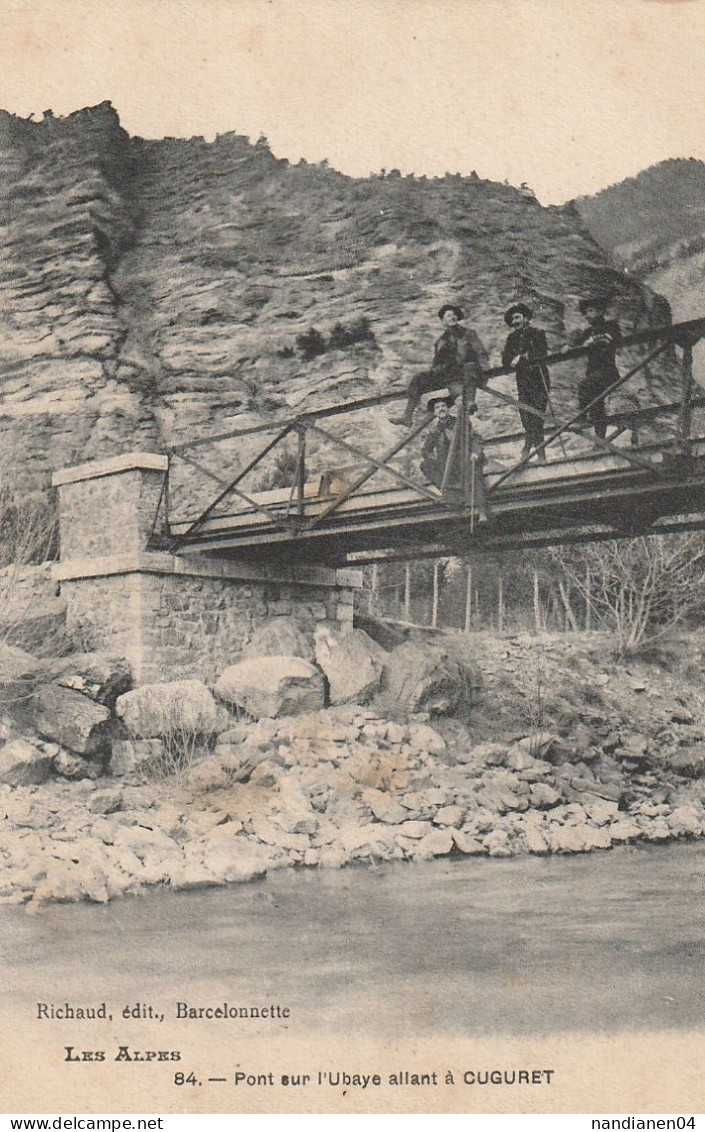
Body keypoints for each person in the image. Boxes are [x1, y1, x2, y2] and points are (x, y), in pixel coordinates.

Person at [391, 304, 489, 428]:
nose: (452, 317)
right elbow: (437, 361)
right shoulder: (442, 339)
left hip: (466, 371)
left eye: (454, 315)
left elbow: (480, 351)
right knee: (418, 378)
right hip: (447, 373)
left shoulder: (468, 333)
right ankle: (407, 416)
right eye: (448, 315)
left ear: (458, 317)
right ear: (443, 320)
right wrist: (434, 371)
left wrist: (485, 369)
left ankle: (470, 402)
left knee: (470, 367)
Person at [419, 393, 489, 521]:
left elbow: (476, 438)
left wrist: (475, 452)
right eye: (437, 407)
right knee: (425, 465)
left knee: (475, 476)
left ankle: (483, 512)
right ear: (435, 413)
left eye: (443, 406)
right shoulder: (434, 431)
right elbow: (425, 450)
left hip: (466, 458)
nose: (441, 409)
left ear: (448, 408)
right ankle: (450, 491)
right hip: (448, 466)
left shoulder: (461, 423)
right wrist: (431, 457)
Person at [501, 303, 550, 463]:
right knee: (526, 418)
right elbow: (505, 360)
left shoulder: (537, 333)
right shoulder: (512, 338)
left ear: (526, 318)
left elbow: (541, 351)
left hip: (539, 380)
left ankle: (533, 454)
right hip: (523, 382)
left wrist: (522, 357)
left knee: (537, 418)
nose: (515, 321)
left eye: (517, 317)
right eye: (512, 319)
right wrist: (512, 360)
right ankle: (530, 452)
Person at [571, 298, 622, 439]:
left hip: (607, 372)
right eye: (585, 312)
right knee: (596, 408)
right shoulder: (588, 331)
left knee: (584, 386)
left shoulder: (611, 325)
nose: (587, 315)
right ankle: (601, 442)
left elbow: (610, 338)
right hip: (593, 373)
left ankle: (580, 417)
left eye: (590, 311)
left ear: (600, 312)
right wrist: (568, 347)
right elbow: (577, 345)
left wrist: (592, 342)